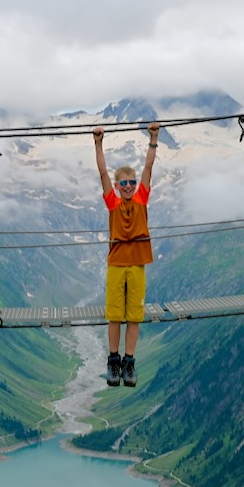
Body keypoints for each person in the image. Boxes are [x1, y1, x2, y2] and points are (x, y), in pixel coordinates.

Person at [92, 122, 160, 388]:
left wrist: (153, 138)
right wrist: (98, 143)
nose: (130, 185)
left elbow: (148, 167)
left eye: (132, 182)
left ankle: (129, 362)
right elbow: (102, 172)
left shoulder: (142, 198)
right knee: (115, 315)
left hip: (137, 263)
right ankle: (114, 360)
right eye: (125, 183)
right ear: (118, 187)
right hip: (117, 263)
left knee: (134, 316)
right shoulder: (113, 202)